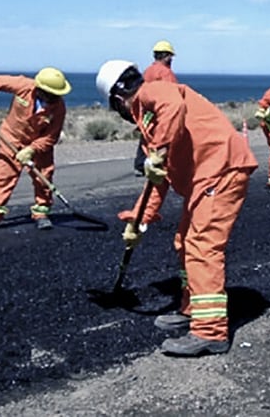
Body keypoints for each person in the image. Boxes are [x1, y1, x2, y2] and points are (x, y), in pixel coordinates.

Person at [95, 59, 258, 357]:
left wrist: (160, 150)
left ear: (118, 101)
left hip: (222, 169)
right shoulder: (151, 129)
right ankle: (192, 309)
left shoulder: (154, 93)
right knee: (185, 242)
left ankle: (211, 332)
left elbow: (173, 108)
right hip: (207, 177)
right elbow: (159, 180)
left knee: (201, 245)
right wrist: (139, 220)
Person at [0, 68, 72, 230]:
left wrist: (32, 149)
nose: (53, 97)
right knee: (4, 174)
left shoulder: (59, 108)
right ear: (40, 88)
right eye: (50, 93)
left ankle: (41, 212)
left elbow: (51, 137)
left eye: (56, 94)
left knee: (43, 176)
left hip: (38, 145)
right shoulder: (23, 85)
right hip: (11, 138)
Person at [133, 40, 179, 175]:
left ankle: (140, 164)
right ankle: (160, 163)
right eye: (170, 56)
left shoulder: (148, 71)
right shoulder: (166, 73)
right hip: (161, 111)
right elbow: (173, 93)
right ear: (166, 56)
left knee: (146, 136)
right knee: (164, 136)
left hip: (147, 110)